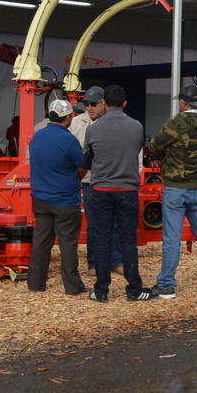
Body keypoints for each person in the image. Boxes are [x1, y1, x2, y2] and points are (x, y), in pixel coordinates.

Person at [81, 85, 157, 303]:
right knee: (128, 240)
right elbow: (135, 150)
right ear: (124, 103)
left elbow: (88, 157)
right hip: (127, 190)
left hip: (100, 190)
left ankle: (101, 291)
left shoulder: (93, 128)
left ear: (104, 102)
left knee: (102, 239)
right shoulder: (136, 126)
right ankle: (134, 289)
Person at [149, 85, 197, 299]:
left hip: (175, 187)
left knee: (172, 237)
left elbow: (155, 145)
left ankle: (167, 284)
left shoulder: (176, 122)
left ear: (183, 102)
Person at [27, 100, 87, 296]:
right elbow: (82, 165)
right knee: (67, 243)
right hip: (65, 200)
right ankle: (72, 286)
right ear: (68, 117)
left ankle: (35, 284)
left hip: (40, 198)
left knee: (41, 242)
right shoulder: (69, 139)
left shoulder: (37, 136)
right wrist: (74, 179)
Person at [70, 86, 122, 275]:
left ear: (103, 103)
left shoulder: (116, 122)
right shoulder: (76, 123)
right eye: (86, 104)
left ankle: (115, 261)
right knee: (93, 224)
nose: (89, 108)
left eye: (93, 104)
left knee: (114, 223)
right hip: (89, 182)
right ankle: (94, 263)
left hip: (111, 180)